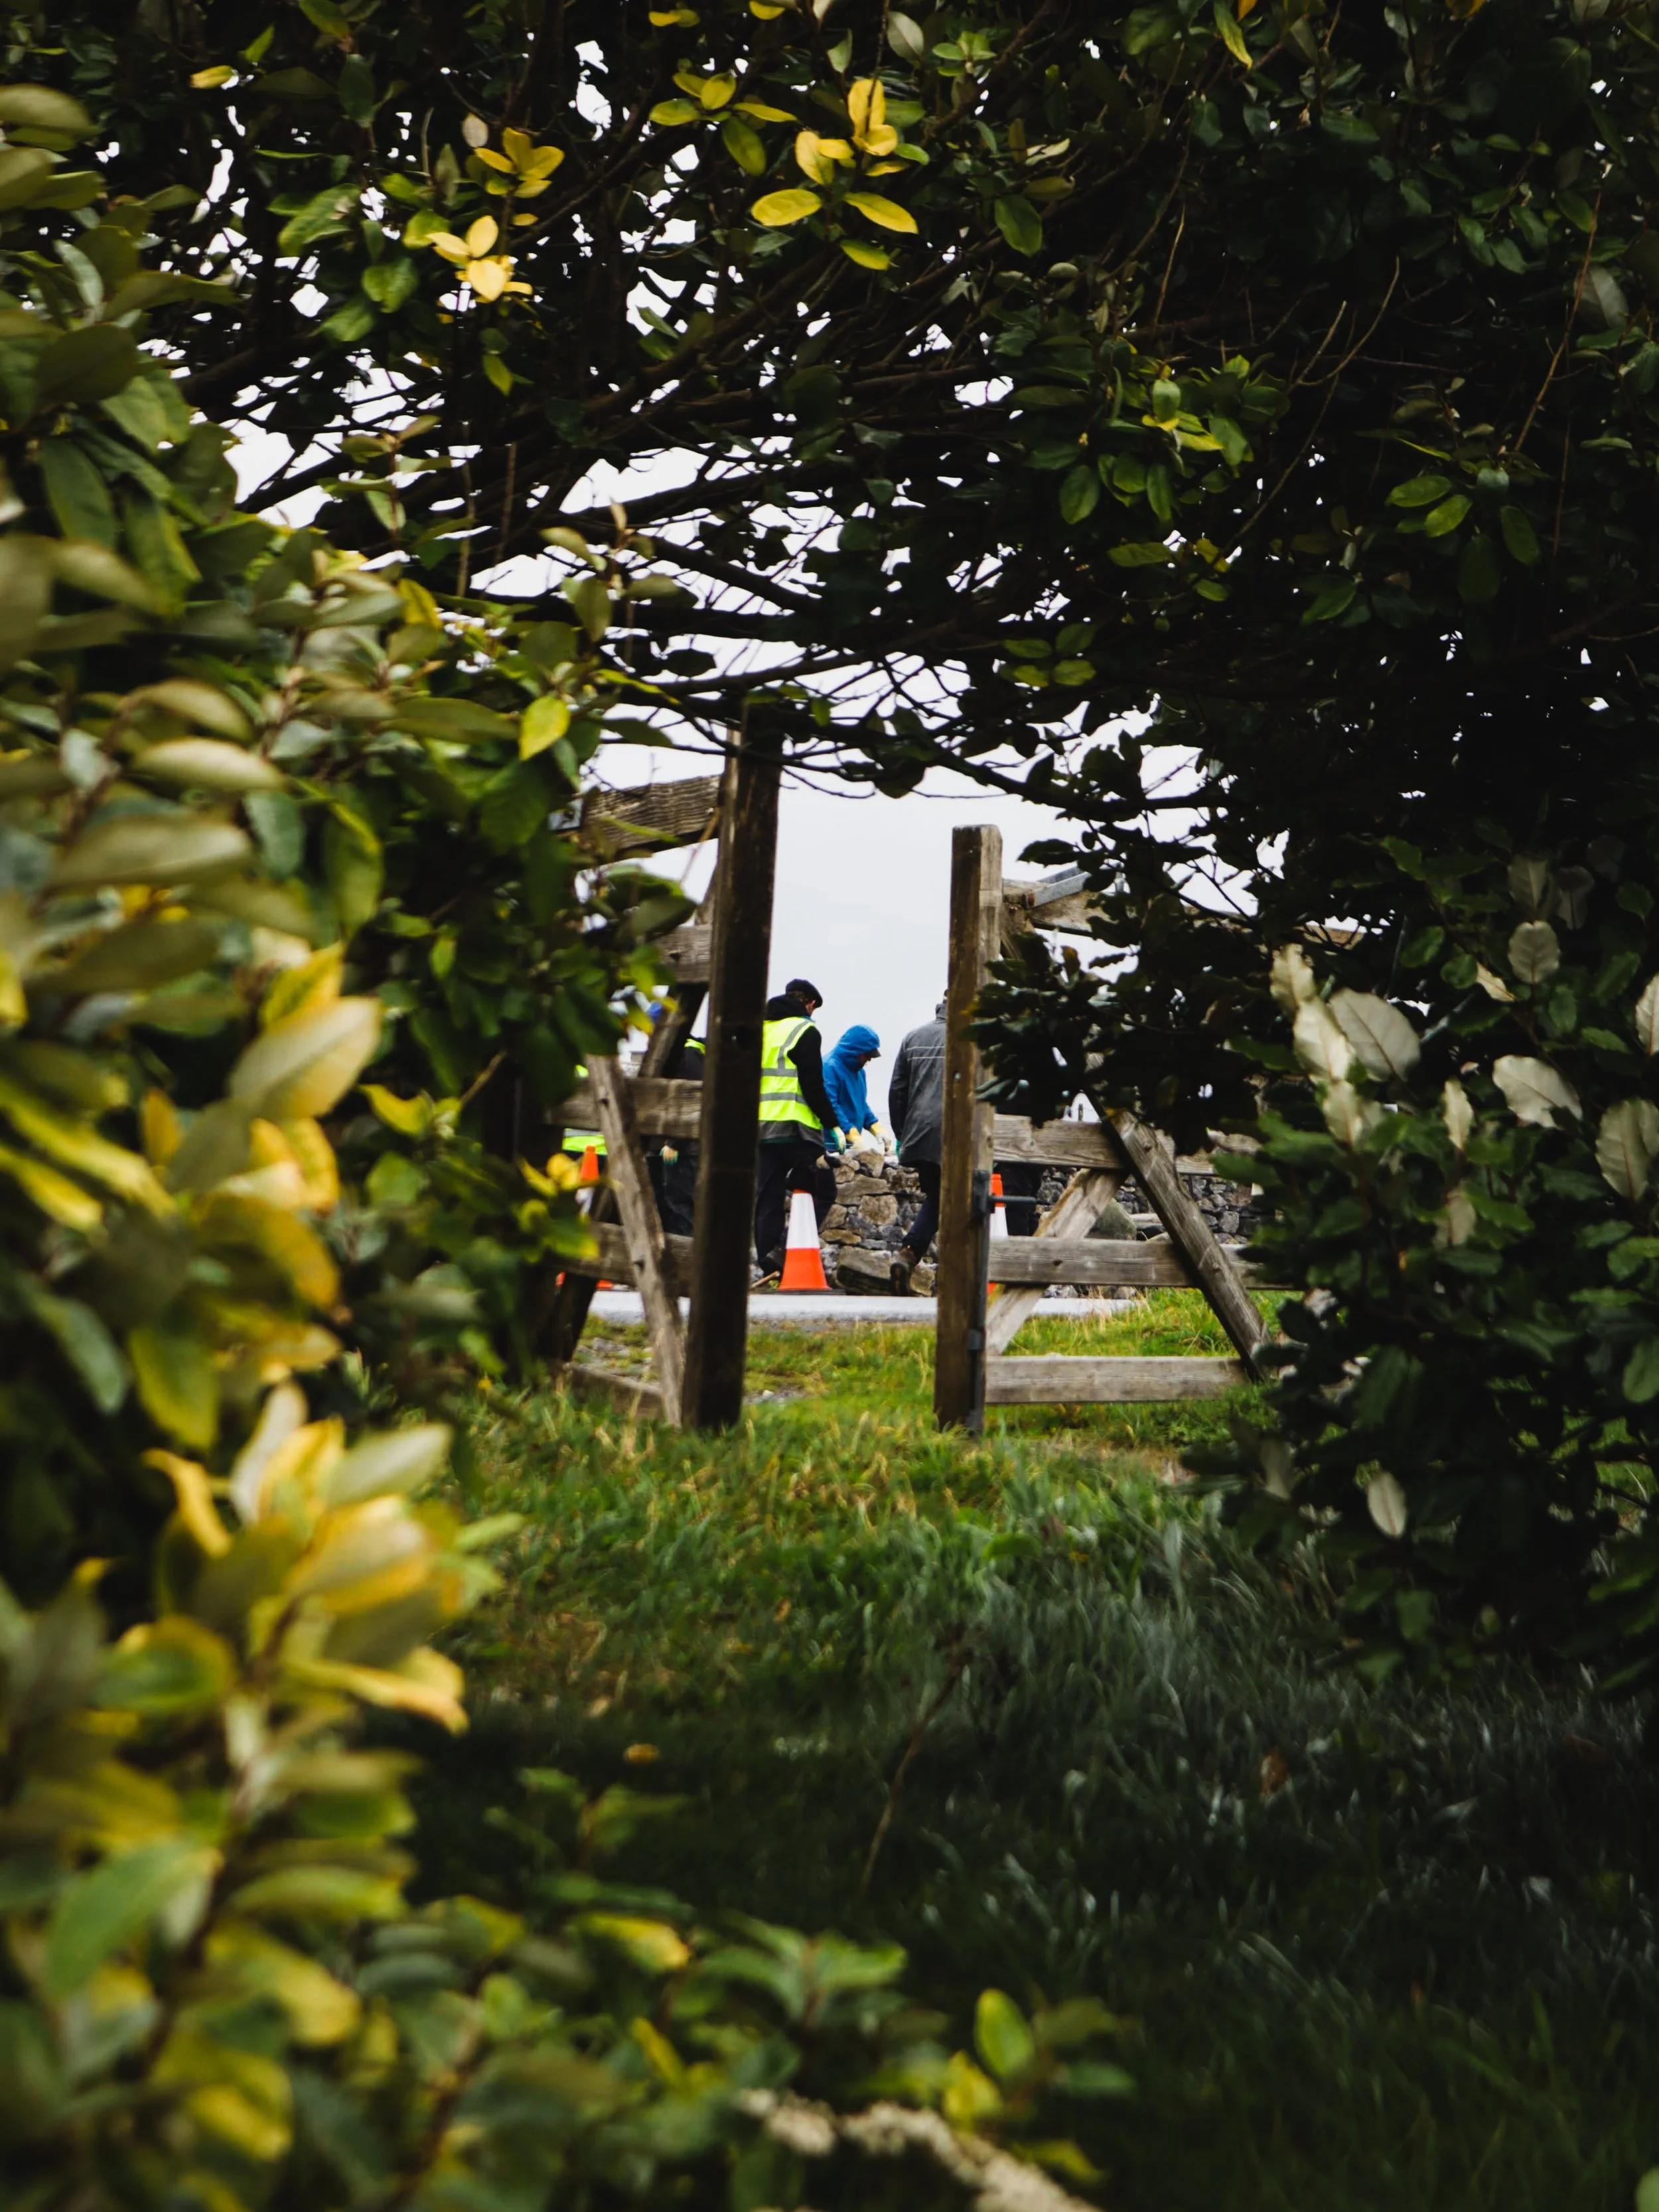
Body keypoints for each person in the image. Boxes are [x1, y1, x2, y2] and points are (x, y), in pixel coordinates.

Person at [754, 977, 841, 1277]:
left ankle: (768, 1263)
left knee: (768, 1197)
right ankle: (783, 1249)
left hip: (762, 1128)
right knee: (823, 1189)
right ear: (811, 1004)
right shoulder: (805, 1029)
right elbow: (812, 1083)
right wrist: (833, 1124)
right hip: (797, 1128)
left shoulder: (761, 1028)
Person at [887, 999, 946, 1292]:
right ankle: (918, 1259)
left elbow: (897, 1091)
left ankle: (909, 1255)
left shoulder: (913, 1038)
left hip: (920, 1134)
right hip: (959, 1136)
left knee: (939, 1197)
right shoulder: (978, 1037)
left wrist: (903, 1134)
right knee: (960, 1202)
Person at [822, 1024, 893, 1155]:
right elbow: (829, 1104)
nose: (869, 1059)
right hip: (831, 1144)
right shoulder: (829, 1067)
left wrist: (875, 1126)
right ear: (855, 1051)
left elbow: (861, 1104)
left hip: (850, 1145)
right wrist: (850, 1131)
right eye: (867, 1055)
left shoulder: (859, 1072)